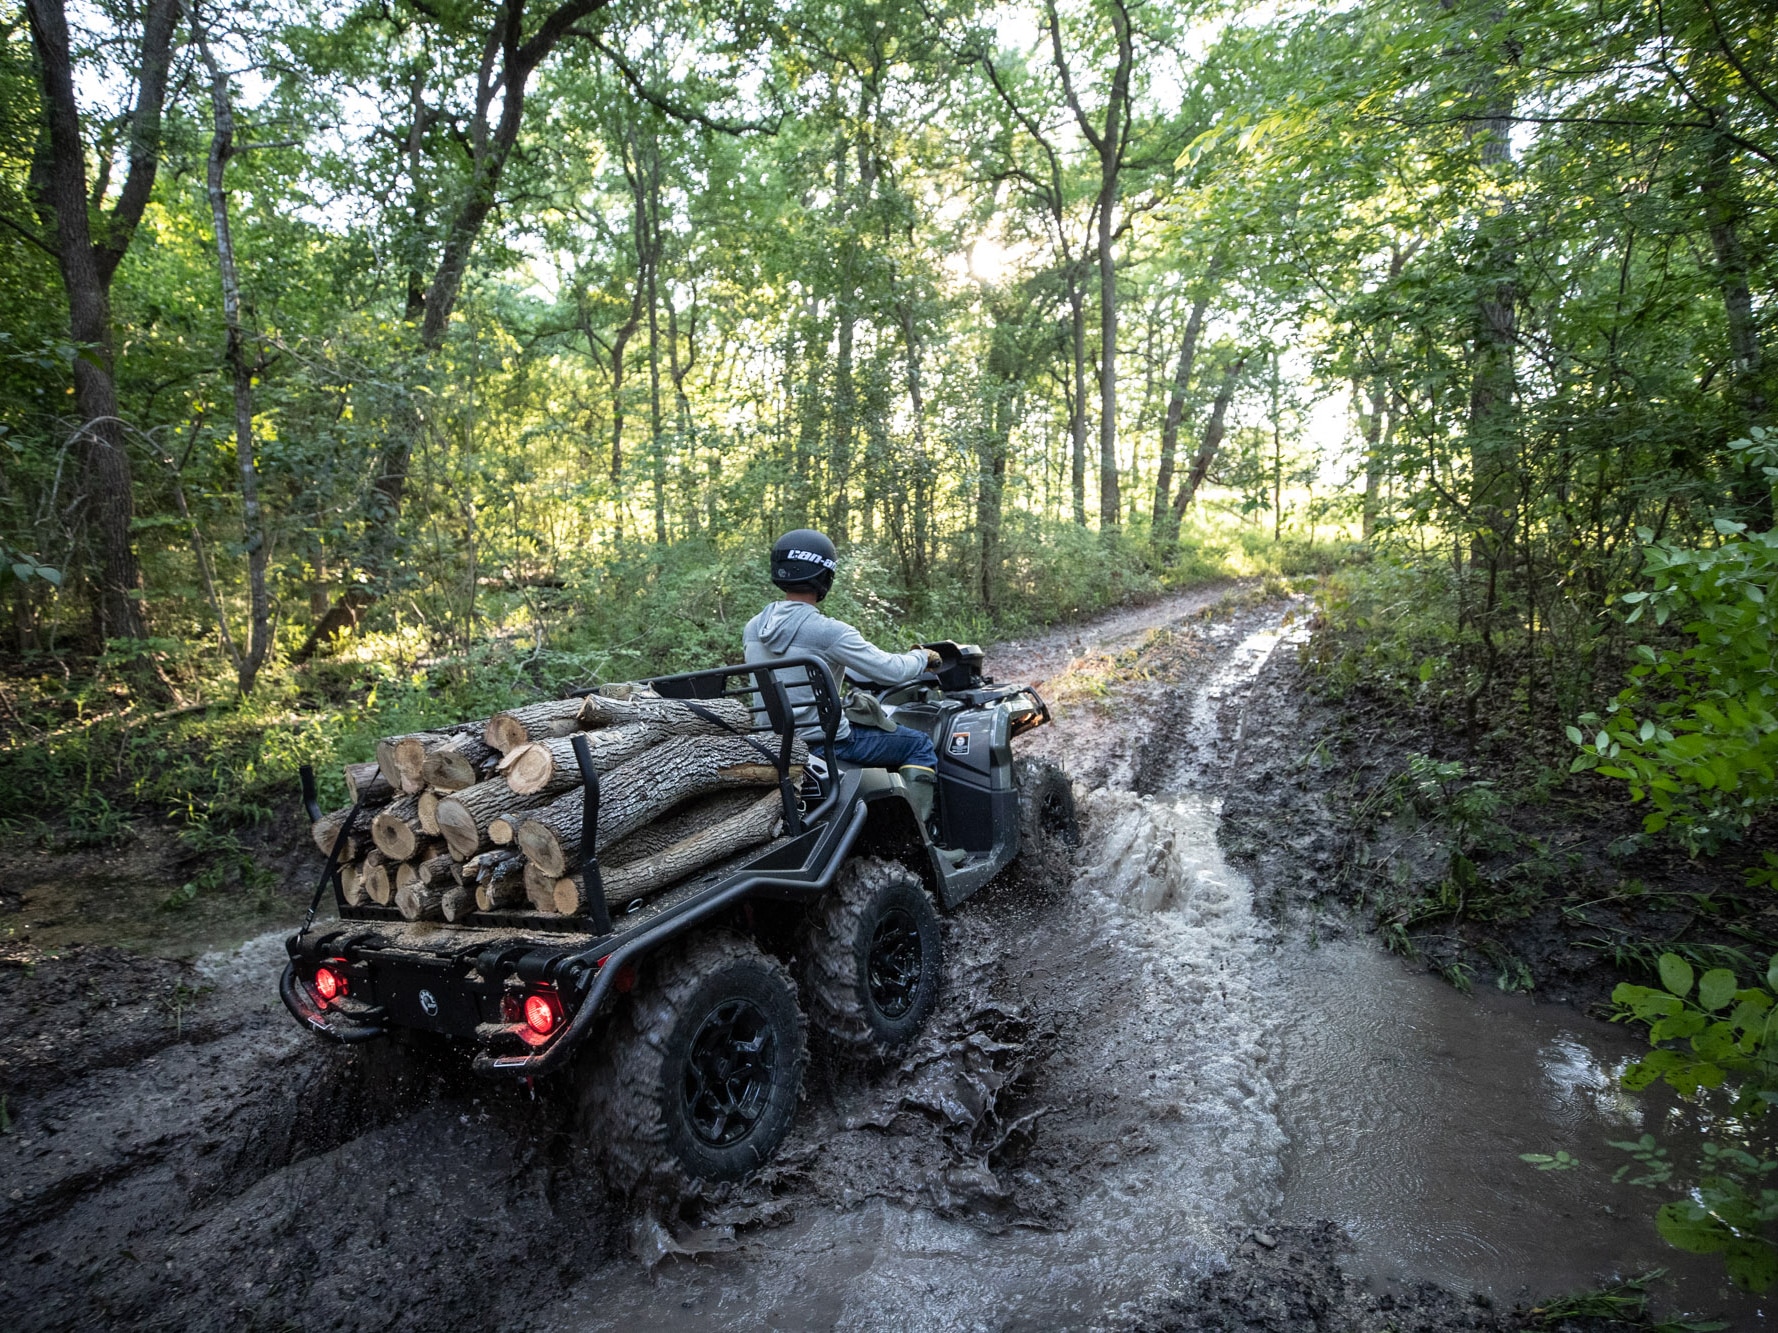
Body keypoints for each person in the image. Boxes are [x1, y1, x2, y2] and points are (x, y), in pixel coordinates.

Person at [743, 528, 947, 833]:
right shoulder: (828, 631)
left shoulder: (753, 627)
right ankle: (920, 835)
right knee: (918, 744)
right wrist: (922, 658)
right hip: (825, 745)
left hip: (775, 743)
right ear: (825, 576)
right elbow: (891, 670)